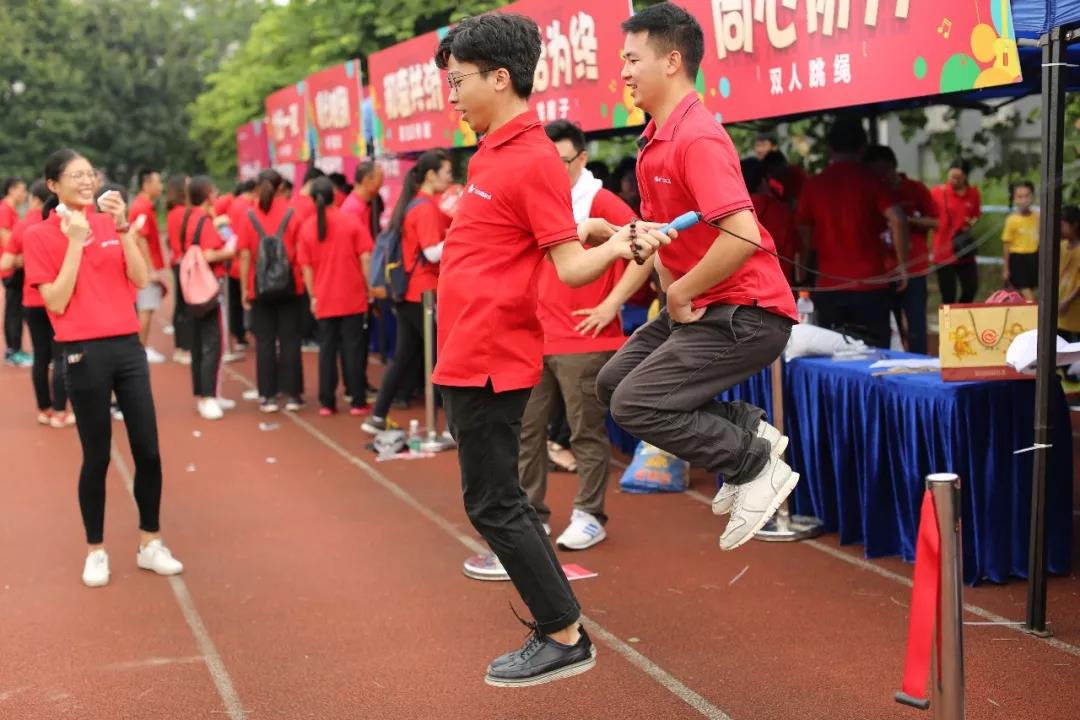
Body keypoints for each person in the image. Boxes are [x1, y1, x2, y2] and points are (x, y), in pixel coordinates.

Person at [433, 12, 670, 686]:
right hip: (466, 349)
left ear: (499, 78)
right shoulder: (492, 150)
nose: (452, 96)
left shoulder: (532, 155)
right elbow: (533, 233)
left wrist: (615, 243)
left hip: (489, 354)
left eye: (459, 82)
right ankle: (561, 627)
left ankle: (563, 633)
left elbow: (568, 268)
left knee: (494, 503)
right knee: (501, 498)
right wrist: (588, 227)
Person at [601, 2, 800, 555]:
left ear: (671, 61)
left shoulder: (697, 136)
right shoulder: (653, 141)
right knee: (613, 384)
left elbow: (743, 234)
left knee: (634, 403)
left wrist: (681, 290)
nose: (623, 72)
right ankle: (747, 428)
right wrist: (636, 248)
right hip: (700, 305)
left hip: (744, 312)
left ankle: (753, 462)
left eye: (632, 59)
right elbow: (668, 235)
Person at [23, 149, 183, 588]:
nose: (86, 181)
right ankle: (96, 550)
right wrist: (75, 241)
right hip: (82, 352)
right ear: (53, 185)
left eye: (89, 174)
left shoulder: (109, 222)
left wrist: (123, 227)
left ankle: (150, 542)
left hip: (127, 348)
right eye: (75, 175)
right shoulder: (39, 235)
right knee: (96, 456)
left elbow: (141, 279)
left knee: (148, 450)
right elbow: (55, 301)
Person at [516, 119, 648, 551]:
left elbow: (648, 248)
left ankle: (590, 514)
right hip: (535, 336)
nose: (555, 169)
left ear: (583, 158)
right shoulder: (534, 197)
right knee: (527, 432)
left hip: (585, 338)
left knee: (585, 433)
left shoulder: (600, 199)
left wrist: (613, 303)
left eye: (564, 161)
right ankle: (530, 514)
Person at [361, 149, 453, 434]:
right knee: (444, 359)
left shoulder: (416, 204)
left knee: (404, 356)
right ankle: (454, 426)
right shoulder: (424, 208)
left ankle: (377, 416)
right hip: (422, 294)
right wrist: (459, 236)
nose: (450, 178)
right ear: (431, 175)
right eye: (447, 172)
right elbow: (432, 252)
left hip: (409, 292)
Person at [797, 117, 909, 348]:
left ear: (830, 148)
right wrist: (902, 265)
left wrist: (804, 269)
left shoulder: (813, 185)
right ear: (863, 147)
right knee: (875, 355)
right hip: (871, 286)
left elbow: (804, 232)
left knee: (832, 356)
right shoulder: (873, 181)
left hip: (829, 286)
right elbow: (898, 218)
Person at [298, 177, 374, 416]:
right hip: (352, 294)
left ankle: (327, 402)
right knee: (353, 349)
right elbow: (365, 257)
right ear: (335, 195)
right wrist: (369, 287)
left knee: (327, 349)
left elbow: (306, 267)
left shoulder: (308, 227)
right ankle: (357, 400)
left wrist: (313, 295)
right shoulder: (350, 221)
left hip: (324, 296)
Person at [0, 179, 73, 426]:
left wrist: (25, 259)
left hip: (32, 300)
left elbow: (5, 263)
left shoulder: (23, 226)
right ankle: (61, 411)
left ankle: (44, 410)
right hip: (60, 299)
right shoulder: (67, 225)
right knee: (61, 357)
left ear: (35, 199)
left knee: (41, 357)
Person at [237, 169, 305, 413]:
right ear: (281, 188)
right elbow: (300, 251)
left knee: (264, 341)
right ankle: (294, 394)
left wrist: (245, 288)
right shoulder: (292, 213)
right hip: (290, 284)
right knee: (290, 339)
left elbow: (245, 255)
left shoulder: (249, 216)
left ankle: (267, 396)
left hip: (260, 286)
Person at [864, 145, 939, 354]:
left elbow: (936, 222)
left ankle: (920, 361)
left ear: (892, 166)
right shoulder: (872, 191)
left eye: (883, 172)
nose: (880, 178)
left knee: (916, 324)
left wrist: (907, 220)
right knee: (888, 325)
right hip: (883, 270)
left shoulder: (915, 189)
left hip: (914, 268)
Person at [177, 177, 235, 420]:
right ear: (209, 194)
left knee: (200, 342)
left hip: (192, 286)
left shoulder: (189, 217)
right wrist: (230, 251)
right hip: (207, 286)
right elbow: (209, 254)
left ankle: (206, 394)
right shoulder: (203, 220)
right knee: (213, 342)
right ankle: (209, 396)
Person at [128, 168, 167, 363]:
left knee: (146, 307)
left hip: (145, 265)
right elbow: (141, 238)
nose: (161, 186)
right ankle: (141, 350)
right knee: (146, 308)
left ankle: (140, 348)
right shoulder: (142, 207)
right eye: (158, 182)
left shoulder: (143, 206)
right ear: (146, 184)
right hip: (145, 267)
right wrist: (149, 270)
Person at [931, 159, 981, 304]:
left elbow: (976, 214)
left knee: (971, 288)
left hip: (963, 248)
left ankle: (961, 315)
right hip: (943, 251)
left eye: (958, 177)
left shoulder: (973, 193)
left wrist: (971, 223)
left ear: (965, 177)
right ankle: (950, 318)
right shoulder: (937, 192)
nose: (954, 180)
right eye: (952, 176)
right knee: (948, 295)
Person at [742, 156, 798, 286]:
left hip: (743, 289)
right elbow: (793, 248)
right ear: (763, 182)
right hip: (779, 286)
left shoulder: (728, 215)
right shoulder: (782, 212)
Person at [1, 176, 32, 367]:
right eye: (22, 189)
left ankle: (15, 349)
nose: (24, 194)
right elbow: (6, 240)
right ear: (11, 190)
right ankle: (14, 351)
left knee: (15, 310)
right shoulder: (5, 210)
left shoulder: (11, 210)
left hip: (13, 266)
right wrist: (18, 257)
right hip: (11, 268)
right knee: (14, 311)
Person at [164, 175, 193, 364]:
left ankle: (182, 346)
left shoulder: (174, 212)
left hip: (179, 261)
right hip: (185, 261)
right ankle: (184, 347)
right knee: (185, 306)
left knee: (181, 305)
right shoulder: (183, 212)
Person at [226, 180, 257, 352]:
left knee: (234, 301)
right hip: (245, 260)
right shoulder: (249, 207)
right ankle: (246, 332)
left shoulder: (234, 204)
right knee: (247, 299)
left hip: (233, 258)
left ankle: (238, 334)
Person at [1002, 180, 1039, 301]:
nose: (1024, 200)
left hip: (1034, 257)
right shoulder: (1011, 220)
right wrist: (1006, 268)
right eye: (1020, 197)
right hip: (1018, 260)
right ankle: (1034, 310)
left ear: (1032, 196)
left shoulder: (1038, 217)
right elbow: (1006, 244)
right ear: (1014, 199)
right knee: (1028, 295)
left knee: (1033, 293)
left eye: (1027, 196)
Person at [341, 160, 385, 243]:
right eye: (380, 179)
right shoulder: (353, 209)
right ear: (366, 181)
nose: (382, 184)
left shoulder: (364, 204)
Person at [1058, 206, 1080, 342]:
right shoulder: (1061, 246)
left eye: (1062, 225)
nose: (1059, 229)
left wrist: (1067, 302)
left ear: (1075, 225)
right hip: (1061, 304)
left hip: (1074, 306)